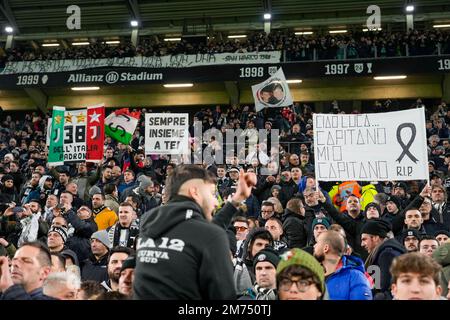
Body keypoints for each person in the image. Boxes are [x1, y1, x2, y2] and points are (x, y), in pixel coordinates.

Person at [134, 165, 255, 299]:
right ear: (195, 192)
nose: (215, 202)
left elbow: (197, 233)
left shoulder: (148, 222)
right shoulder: (211, 236)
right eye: (212, 194)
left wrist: (236, 200)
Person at [313, 230, 372, 300]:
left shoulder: (355, 277)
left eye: (317, 243)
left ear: (326, 248)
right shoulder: (314, 277)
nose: (314, 246)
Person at [360, 218, 406, 298]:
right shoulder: (385, 252)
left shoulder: (387, 254)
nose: (362, 244)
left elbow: (384, 288)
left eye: (364, 239)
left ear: (375, 238)